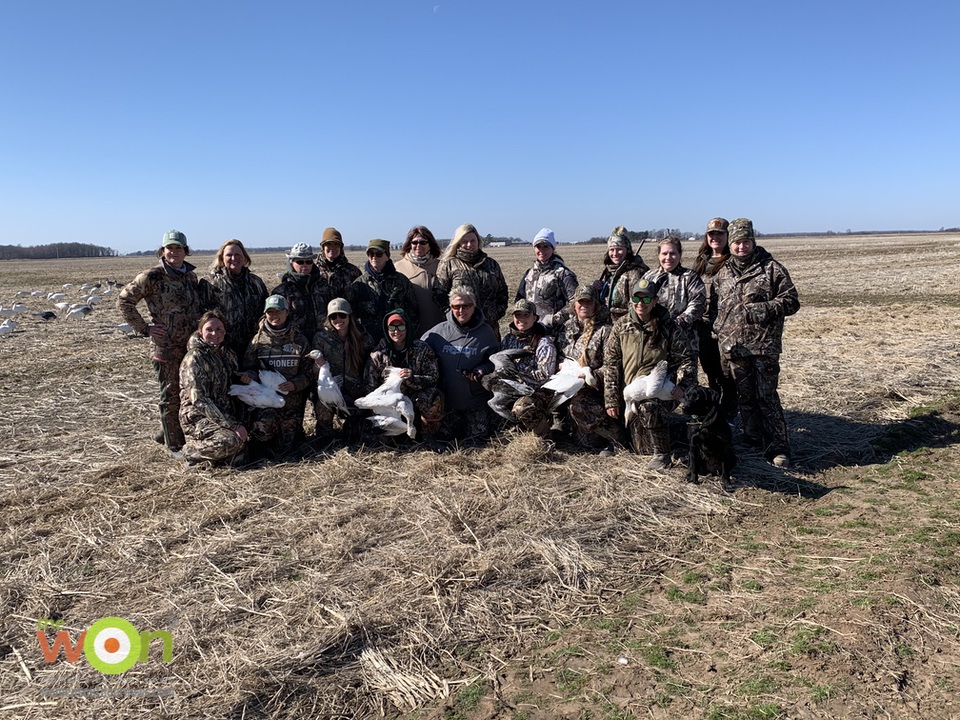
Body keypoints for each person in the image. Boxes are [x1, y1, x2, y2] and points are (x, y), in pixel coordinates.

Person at [118, 229, 218, 452]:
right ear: (162, 251)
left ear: (186, 251)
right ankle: (174, 446)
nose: (173, 251)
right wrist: (145, 328)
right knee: (170, 394)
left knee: (188, 391)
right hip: (166, 347)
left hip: (191, 347)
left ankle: (167, 431)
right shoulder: (151, 276)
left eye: (178, 248)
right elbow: (124, 301)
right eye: (169, 248)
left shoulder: (190, 277)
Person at [711, 218, 799, 468]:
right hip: (734, 348)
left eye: (746, 242)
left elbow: (792, 301)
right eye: (737, 242)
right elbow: (717, 308)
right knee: (744, 397)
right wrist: (719, 332)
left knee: (767, 398)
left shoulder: (772, 269)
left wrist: (764, 309)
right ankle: (752, 439)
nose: (741, 247)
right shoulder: (724, 272)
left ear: (753, 242)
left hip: (763, 348)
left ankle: (779, 447)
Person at [604, 279, 696, 470]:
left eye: (646, 299)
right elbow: (611, 363)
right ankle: (624, 437)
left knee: (648, 407)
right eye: (637, 297)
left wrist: (682, 387)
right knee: (639, 447)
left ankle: (662, 455)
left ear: (655, 301)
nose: (640, 303)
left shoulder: (668, 327)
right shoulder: (621, 326)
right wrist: (611, 399)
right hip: (629, 390)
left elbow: (687, 359)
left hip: (661, 392)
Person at [421, 285, 498, 445]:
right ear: (451, 307)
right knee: (443, 438)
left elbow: (494, 361)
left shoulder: (486, 333)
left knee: (477, 441)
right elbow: (418, 349)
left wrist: (482, 370)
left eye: (466, 306)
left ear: (474, 306)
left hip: (475, 402)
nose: (461, 310)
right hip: (447, 403)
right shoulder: (438, 332)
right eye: (456, 306)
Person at [243, 295, 314, 457]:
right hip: (266, 404)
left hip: (291, 406)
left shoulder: (299, 340)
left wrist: (295, 384)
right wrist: (249, 376)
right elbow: (250, 367)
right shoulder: (257, 341)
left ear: (287, 312)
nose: (274, 315)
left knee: (287, 449)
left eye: (279, 311)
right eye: (270, 312)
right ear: (265, 314)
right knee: (264, 433)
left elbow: (308, 373)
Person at [177, 310, 248, 467]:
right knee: (231, 441)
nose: (214, 333)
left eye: (219, 329)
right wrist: (233, 425)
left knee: (242, 454)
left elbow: (234, 380)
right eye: (209, 329)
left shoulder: (227, 354)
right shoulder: (194, 358)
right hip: (199, 416)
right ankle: (189, 451)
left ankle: (215, 457)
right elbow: (199, 400)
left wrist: (247, 377)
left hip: (223, 413)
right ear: (200, 331)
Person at [365, 308, 444, 444]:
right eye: (392, 327)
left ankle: (428, 436)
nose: (396, 331)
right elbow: (370, 387)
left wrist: (413, 378)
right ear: (386, 329)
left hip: (414, 400)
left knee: (432, 396)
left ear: (407, 327)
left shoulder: (422, 349)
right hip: (389, 404)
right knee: (380, 442)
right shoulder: (378, 355)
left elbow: (434, 378)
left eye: (401, 326)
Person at [557, 284, 621, 454]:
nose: (584, 306)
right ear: (574, 305)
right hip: (568, 384)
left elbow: (612, 366)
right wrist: (561, 365)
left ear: (596, 305)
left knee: (579, 408)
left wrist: (591, 376)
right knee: (581, 441)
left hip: (595, 388)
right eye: (580, 302)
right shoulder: (566, 328)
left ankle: (617, 437)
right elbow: (559, 353)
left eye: (588, 302)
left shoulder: (605, 331)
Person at [692, 218, 738, 417]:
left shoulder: (734, 261)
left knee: (728, 375)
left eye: (720, 234)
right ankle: (715, 413)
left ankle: (729, 415)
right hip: (703, 327)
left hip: (728, 328)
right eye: (712, 234)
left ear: (728, 237)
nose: (715, 238)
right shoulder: (702, 261)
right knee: (711, 373)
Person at [312, 298, 374, 444]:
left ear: (350, 316)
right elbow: (312, 371)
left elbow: (372, 365)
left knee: (357, 438)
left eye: (342, 315)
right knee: (323, 411)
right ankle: (325, 436)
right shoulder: (321, 338)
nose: (338, 319)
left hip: (356, 391)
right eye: (333, 316)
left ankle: (353, 425)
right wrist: (318, 367)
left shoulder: (363, 337)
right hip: (332, 390)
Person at [436, 223, 508, 338]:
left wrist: (496, 313)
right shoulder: (448, 264)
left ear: (478, 241)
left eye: (473, 241)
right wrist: (453, 315)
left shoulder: (491, 264)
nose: (469, 245)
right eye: (464, 241)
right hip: (460, 329)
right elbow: (439, 293)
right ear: (458, 242)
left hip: (489, 327)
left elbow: (502, 292)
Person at [498, 299, 559, 433]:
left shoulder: (544, 343)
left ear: (534, 318)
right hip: (511, 388)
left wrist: (517, 376)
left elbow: (544, 376)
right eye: (518, 315)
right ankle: (518, 427)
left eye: (526, 315)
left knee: (523, 407)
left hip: (537, 392)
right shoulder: (508, 339)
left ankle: (544, 434)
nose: (521, 319)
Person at [348, 239, 420, 343]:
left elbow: (414, 314)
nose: (374, 257)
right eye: (370, 253)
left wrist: (405, 338)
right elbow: (352, 318)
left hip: (396, 341)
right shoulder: (359, 284)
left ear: (387, 255)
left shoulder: (401, 281)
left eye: (379, 254)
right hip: (368, 343)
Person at [208, 239, 268, 360]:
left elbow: (266, 312)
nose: (234, 258)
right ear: (221, 258)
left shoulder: (256, 282)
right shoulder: (210, 283)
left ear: (245, 258)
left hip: (253, 346)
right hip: (224, 348)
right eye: (229, 255)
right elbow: (203, 318)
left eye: (237, 255)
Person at [514, 228, 578, 334]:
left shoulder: (563, 273)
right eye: (538, 246)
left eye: (546, 247)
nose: (541, 251)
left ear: (552, 249)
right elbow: (520, 299)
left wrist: (553, 320)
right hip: (531, 330)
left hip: (555, 331)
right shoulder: (529, 273)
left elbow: (575, 302)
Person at [642, 236, 706, 335]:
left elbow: (697, 305)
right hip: (653, 336)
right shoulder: (649, 277)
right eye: (664, 254)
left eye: (672, 254)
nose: (668, 258)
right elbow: (637, 301)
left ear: (680, 254)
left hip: (684, 338)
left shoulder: (690, 277)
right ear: (658, 255)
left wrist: (674, 325)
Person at [271, 243, 331, 339]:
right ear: (291, 262)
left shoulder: (324, 286)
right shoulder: (281, 291)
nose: (305, 265)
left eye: (308, 261)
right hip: (295, 344)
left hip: (323, 341)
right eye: (300, 262)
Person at [394, 225, 446, 331]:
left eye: (423, 242)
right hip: (410, 330)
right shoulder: (398, 267)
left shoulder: (442, 266)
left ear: (430, 244)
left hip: (440, 328)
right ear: (409, 244)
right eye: (414, 242)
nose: (418, 245)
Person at [596, 225, 650, 321]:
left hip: (624, 326)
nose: (615, 253)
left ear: (627, 250)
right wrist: (595, 289)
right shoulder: (609, 271)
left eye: (619, 249)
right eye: (612, 250)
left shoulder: (635, 274)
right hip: (605, 324)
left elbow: (636, 307)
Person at [316, 227, 361, 300]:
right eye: (328, 244)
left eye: (336, 244)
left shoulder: (353, 272)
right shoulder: (314, 271)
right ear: (323, 247)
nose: (332, 248)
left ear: (341, 247)